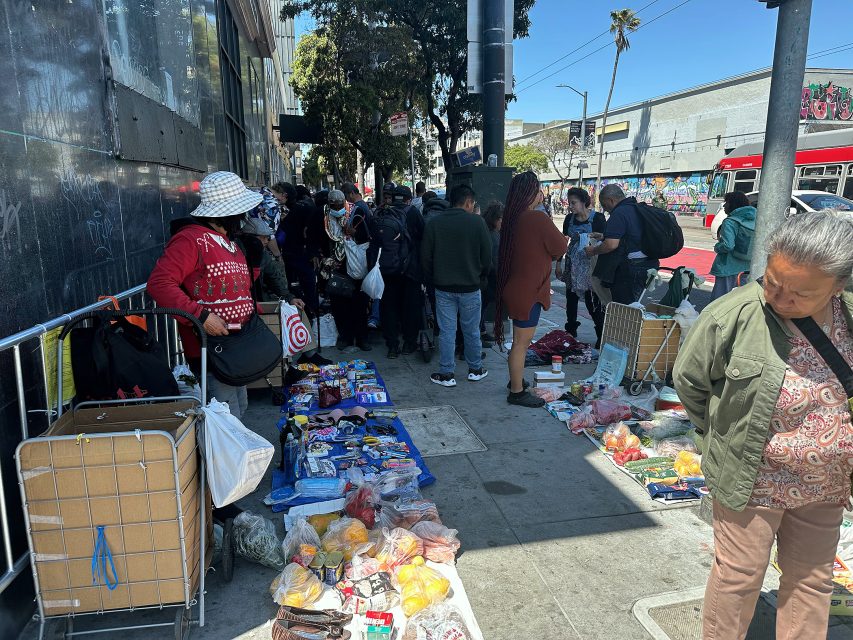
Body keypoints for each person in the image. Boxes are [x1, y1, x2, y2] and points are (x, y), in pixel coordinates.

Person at [672, 210, 853, 640]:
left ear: (837, 288)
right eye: (772, 281)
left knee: (812, 581)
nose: (780, 297)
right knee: (738, 578)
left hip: (825, 483)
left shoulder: (847, 316)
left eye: (800, 293)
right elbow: (690, 382)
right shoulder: (731, 315)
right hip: (752, 478)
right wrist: (722, 434)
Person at [147, 171, 262, 420]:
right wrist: (201, 316)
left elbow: (236, 287)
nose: (244, 218)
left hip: (236, 346)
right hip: (211, 350)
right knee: (225, 420)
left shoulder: (228, 241)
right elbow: (159, 284)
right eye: (240, 212)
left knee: (239, 411)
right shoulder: (190, 240)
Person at [496, 171, 568, 408]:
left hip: (516, 288)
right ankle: (516, 392)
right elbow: (559, 246)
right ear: (530, 192)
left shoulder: (513, 218)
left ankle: (515, 381)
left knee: (518, 341)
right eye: (538, 189)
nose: (541, 193)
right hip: (528, 291)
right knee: (521, 344)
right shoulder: (536, 218)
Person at [421, 184, 492, 387]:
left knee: (447, 331)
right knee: (471, 330)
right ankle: (475, 369)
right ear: (469, 202)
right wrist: (481, 277)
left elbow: (425, 257)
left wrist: (432, 279)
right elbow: (486, 257)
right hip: (470, 287)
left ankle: (446, 373)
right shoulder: (477, 223)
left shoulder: (435, 224)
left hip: (443, 288)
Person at [369, 185, 424, 358]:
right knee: (411, 308)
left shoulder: (381, 213)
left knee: (389, 308)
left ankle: (392, 345)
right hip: (410, 271)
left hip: (387, 270)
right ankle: (409, 343)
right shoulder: (414, 213)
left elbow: (374, 243)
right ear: (408, 199)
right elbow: (423, 237)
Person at [587, 184, 659, 305]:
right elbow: (631, 235)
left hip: (630, 269)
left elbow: (611, 245)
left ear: (611, 200)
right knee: (635, 304)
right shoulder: (635, 207)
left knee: (625, 310)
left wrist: (593, 251)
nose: (605, 209)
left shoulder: (619, 213)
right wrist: (603, 236)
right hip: (648, 264)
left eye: (605, 205)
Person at [321, 190, 372, 352]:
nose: (337, 208)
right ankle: (345, 337)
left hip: (356, 267)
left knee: (360, 305)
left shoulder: (357, 212)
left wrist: (354, 233)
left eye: (339, 204)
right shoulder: (324, 217)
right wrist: (326, 259)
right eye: (333, 205)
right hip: (337, 268)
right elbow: (318, 241)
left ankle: (362, 338)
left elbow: (368, 236)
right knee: (339, 306)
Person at [555, 187, 606, 347]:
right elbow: (563, 242)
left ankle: (600, 333)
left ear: (584, 202)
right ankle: (571, 330)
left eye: (574, 203)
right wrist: (558, 264)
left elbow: (606, 241)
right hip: (573, 265)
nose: (571, 206)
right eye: (569, 203)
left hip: (591, 265)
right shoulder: (569, 219)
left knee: (593, 300)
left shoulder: (598, 218)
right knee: (571, 298)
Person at [272, 182, 319, 312]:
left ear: (284, 195)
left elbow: (281, 234)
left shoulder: (287, 211)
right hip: (304, 253)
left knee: (291, 284)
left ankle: (298, 310)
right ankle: (311, 311)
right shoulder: (308, 207)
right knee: (308, 285)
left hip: (291, 252)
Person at [237, 217, 304, 306]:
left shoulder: (264, 255)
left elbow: (274, 278)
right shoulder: (235, 252)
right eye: (263, 238)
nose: (266, 241)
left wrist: (290, 298)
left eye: (267, 238)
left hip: (257, 302)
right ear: (249, 238)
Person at [709, 191, 755, 301]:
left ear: (732, 204)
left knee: (719, 301)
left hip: (727, 267)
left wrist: (717, 247)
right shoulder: (756, 220)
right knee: (740, 300)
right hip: (747, 266)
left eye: (726, 202)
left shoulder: (730, 222)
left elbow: (728, 245)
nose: (724, 205)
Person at [481, 201, 504, 339]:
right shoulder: (493, 235)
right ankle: (480, 331)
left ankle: (482, 330)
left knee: (483, 306)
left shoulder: (491, 232)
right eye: (501, 219)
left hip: (488, 276)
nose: (503, 222)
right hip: (489, 277)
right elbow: (493, 258)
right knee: (482, 305)